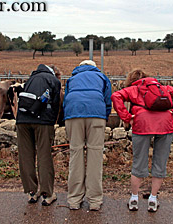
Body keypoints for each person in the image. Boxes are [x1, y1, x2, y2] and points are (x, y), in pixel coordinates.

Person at [111, 69, 173, 212]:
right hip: (165, 125)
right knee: (160, 162)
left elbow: (116, 96)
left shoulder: (134, 89)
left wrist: (127, 117)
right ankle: (153, 198)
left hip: (142, 125)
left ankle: (134, 198)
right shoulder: (162, 88)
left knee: (139, 162)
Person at [63, 60, 112, 211]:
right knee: (95, 155)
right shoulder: (102, 77)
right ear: (94, 67)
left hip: (73, 114)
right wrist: (104, 116)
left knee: (76, 153)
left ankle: (74, 200)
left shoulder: (72, 79)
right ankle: (95, 200)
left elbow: (65, 100)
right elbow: (108, 100)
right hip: (96, 114)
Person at [16, 64, 61, 206]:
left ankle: (31, 192)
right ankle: (47, 194)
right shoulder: (54, 81)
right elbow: (56, 104)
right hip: (43, 122)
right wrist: (52, 121)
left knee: (26, 156)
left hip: (22, 120)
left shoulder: (31, 79)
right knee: (44, 155)